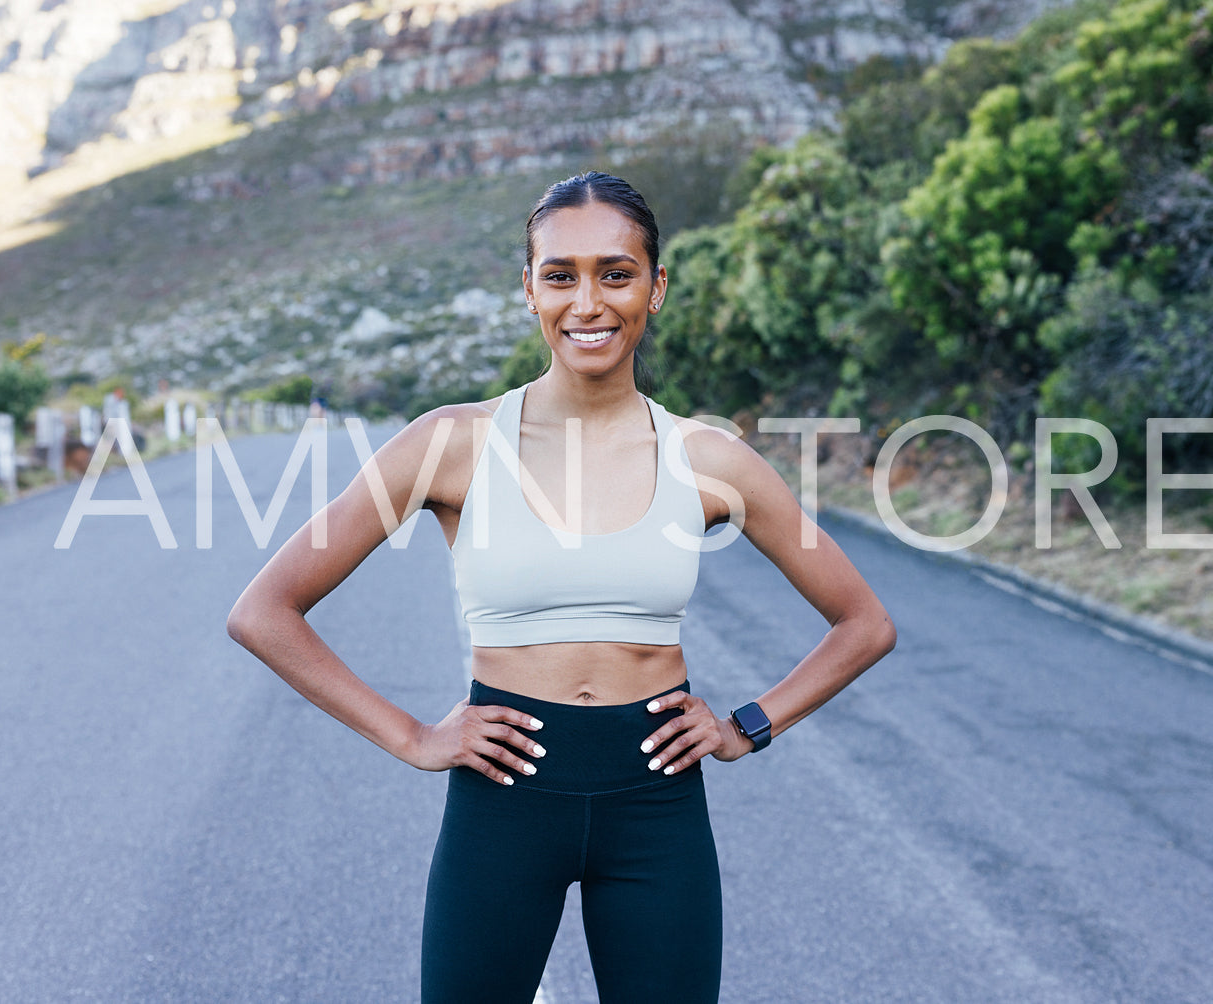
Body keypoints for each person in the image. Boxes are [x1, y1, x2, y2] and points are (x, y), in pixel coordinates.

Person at [225, 170, 897, 1002]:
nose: (588, 302)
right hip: (502, 805)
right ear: (529, 290)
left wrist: (745, 726)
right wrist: (409, 737)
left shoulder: (709, 459)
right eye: (560, 275)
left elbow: (862, 623)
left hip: (656, 805)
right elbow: (264, 611)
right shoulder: (453, 444)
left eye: (615, 274)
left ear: (656, 288)